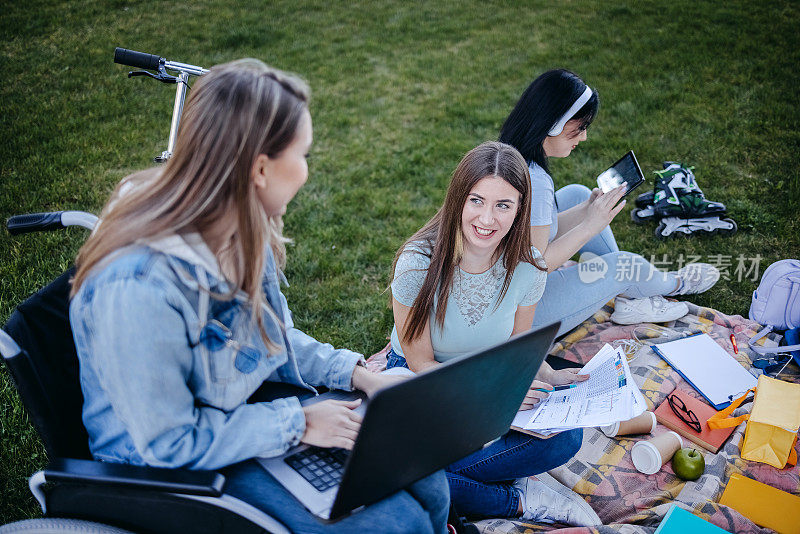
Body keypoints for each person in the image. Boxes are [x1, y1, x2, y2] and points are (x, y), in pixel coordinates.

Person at [69, 59, 449, 534]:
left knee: (429, 480)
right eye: (304, 154)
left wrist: (360, 376)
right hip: (168, 470)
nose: (307, 172)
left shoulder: (241, 226)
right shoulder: (138, 288)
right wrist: (299, 423)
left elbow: (272, 337)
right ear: (260, 169)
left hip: (245, 412)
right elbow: (167, 443)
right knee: (393, 524)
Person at [385, 141, 601, 526]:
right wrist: (494, 403)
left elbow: (518, 345)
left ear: (520, 210)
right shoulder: (417, 263)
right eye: (477, 201)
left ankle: (445, 480)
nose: (487, 219)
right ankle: (515, 501)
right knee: (391, 473)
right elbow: (420, 363)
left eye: (504, 205)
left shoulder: (528, 267)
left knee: (566, 437)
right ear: (458, 201)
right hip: (422, 384)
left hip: (489, 379)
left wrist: (547, 375)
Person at [499, 69, 720, 335]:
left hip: (500, 287)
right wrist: (590, 225)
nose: (583, 137)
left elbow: (526, 236)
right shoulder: (535, 181)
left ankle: (629, 297)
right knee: (625, 265)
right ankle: (674, 284)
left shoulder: (507, 156)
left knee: (579, 195)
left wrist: (587, 210)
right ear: (553, 123)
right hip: (514, 317)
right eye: (579, 129)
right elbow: (532, 270)